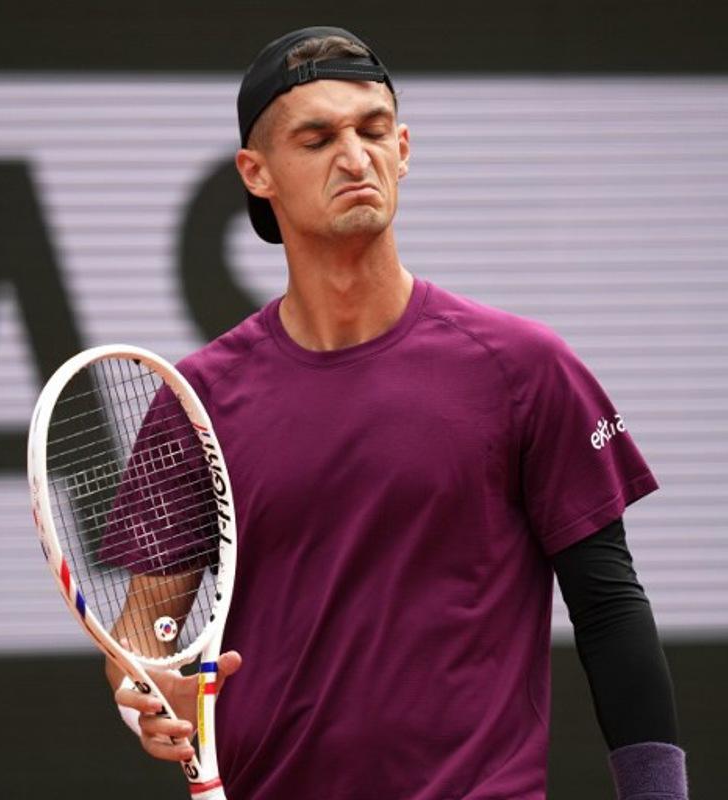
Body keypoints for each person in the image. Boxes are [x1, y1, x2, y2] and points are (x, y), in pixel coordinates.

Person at [112, 25, 688, 800]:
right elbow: (149, 622)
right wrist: (148, 690)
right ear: (257, 173)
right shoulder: (197, 400)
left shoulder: (524, 368)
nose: (355, 157)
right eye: (316, 138)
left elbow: (611, 608)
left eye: (373, 130)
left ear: (404, 148)